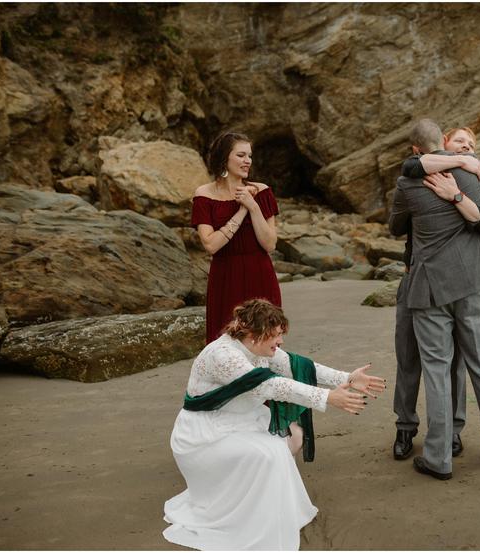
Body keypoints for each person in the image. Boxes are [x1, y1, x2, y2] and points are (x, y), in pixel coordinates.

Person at [163, 299, 386, 550]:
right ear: (254, 333)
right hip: (205, 434)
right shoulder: (223, 355)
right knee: (269, 454)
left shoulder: (260, 348)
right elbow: (269, 385)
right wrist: (326, 397)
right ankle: (243, 514)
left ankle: (264, 504)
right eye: (276, 335)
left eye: (281, 334)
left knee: (293, 437)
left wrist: (346, 378)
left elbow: (300, 366)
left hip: (242, 420)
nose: (280, 342)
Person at [389, 119, 480, 480]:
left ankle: (438, 458)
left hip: (430, 289)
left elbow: (395, 226)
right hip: (472, 284)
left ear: (417, 148)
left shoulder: (408, 183)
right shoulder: (474, 175)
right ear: (444, 142)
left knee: (436, 371)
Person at [192, 130, 282, 344]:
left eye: (249, 156)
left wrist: (253, 207)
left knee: (265, 341)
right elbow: (211, 245)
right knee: (226, 343)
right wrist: (241, 211)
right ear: (225, 158)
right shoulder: (204, 195)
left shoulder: (261, 191)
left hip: (260, 272)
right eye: (241, 155)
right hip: (225, 276)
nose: (247, 161)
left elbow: (269, 244)